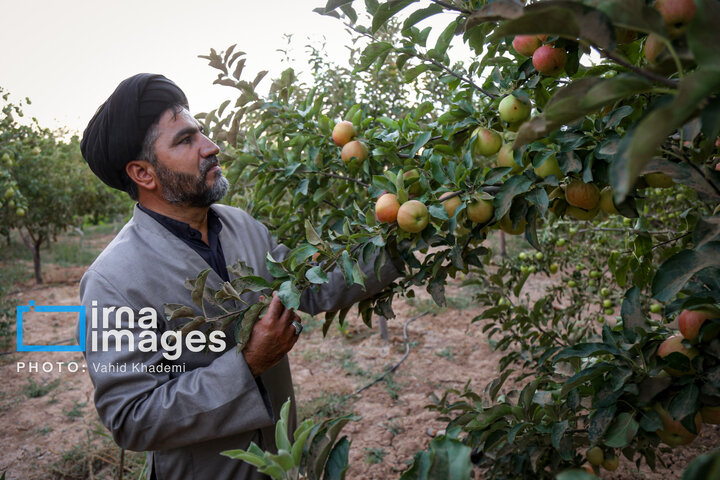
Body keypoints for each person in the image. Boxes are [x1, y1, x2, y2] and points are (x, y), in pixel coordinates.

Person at [78, 73, 401, 480]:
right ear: (144, 174)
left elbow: (309, 285)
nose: (211, 147)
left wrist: (400, 243)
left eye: (202, 133)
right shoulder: (113, 281)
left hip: (281, 463)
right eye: (185, 140)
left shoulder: (241, 226)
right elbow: (131, 418)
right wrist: (247, 364)